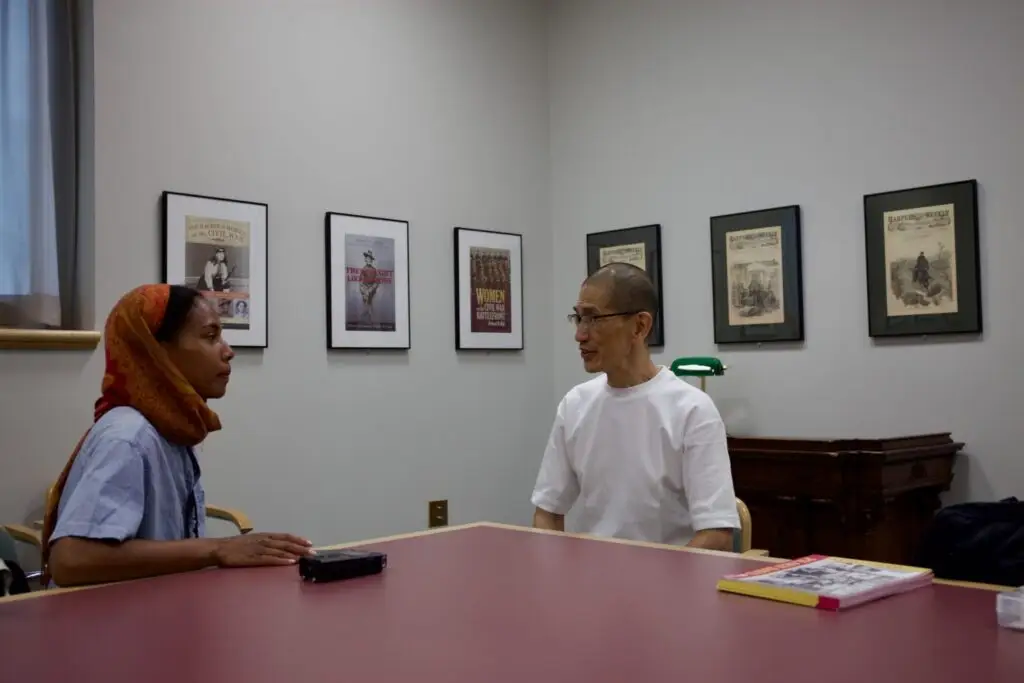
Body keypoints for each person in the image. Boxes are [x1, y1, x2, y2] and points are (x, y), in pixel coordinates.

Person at [41, 284, 314, 587]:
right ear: (157, 351)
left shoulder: (170, 427)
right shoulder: (129, 437)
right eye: (211, 337)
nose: (228, 351)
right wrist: (217, 549)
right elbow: (71, 560)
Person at [530, 263, 740, 550]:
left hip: (667, 583)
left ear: (640, 326)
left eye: (593, 319)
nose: (580, 335)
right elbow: (547, 513)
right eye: (578, 319)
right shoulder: (575, 405)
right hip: (589, 580)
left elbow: (716, 534)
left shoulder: (692, 410)